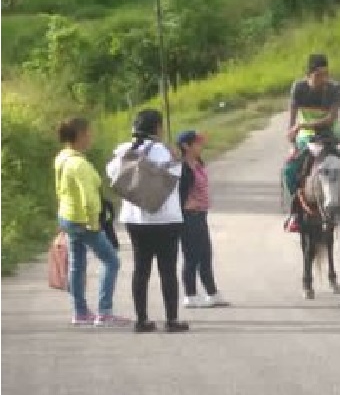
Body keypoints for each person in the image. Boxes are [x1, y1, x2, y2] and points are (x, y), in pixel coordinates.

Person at [106, 109, 189, 333]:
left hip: (135, 219)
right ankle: (171, 320)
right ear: (157, 128)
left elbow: (113, 174)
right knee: (168, 270)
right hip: (166, 219)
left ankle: (141, 319)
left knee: (141, 269)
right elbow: (180, 177)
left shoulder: (124, 151)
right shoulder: (165, 152)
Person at [55, 117, 129, 327]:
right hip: (83, 220)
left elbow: (61, 189)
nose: (91, 137)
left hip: (68, 216)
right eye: (89, 133)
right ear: (80, 135)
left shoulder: (62, 157)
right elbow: (88, 197)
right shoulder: (79, 164)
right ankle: (104, 311)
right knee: (111, 260)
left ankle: (80, 311)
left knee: (77, 264)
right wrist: (94, 223)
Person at [283, 53, 340, 232]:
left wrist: (302, 124)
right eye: (319, 75)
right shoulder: (298, 88)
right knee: (289, 169)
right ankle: (295, 212)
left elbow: (331, 118)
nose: (323, 79)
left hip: (332, 135)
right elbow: (292, 120)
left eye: (326, 74)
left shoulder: (335, 88)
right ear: (309, 75)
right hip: (307, 137)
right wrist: (292, 140)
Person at [176, 130, 229, 308]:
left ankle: (211, 292)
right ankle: (190, 295)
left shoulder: (197, 164)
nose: (201, 146)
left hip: (200, 215)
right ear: (186, 146)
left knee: (205, 254)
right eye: (197, 143)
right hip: (189, 216)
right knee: (191, 256)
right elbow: (179, 195)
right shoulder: (183, 168)